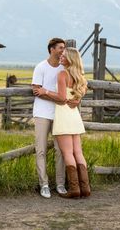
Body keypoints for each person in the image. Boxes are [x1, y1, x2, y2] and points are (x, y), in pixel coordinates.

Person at [34, 47, 91, 199]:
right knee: (78, 152)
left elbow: (60, 97)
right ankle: (85, 188)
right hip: (74, 115)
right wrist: (77, 99)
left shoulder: (63, 74)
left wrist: (45, 91)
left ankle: (74, 189)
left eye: (64, 56)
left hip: (63, 115)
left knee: (67, 153)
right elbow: (83, 88)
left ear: (70, 59)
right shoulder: (79, 76)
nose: (61, 57)